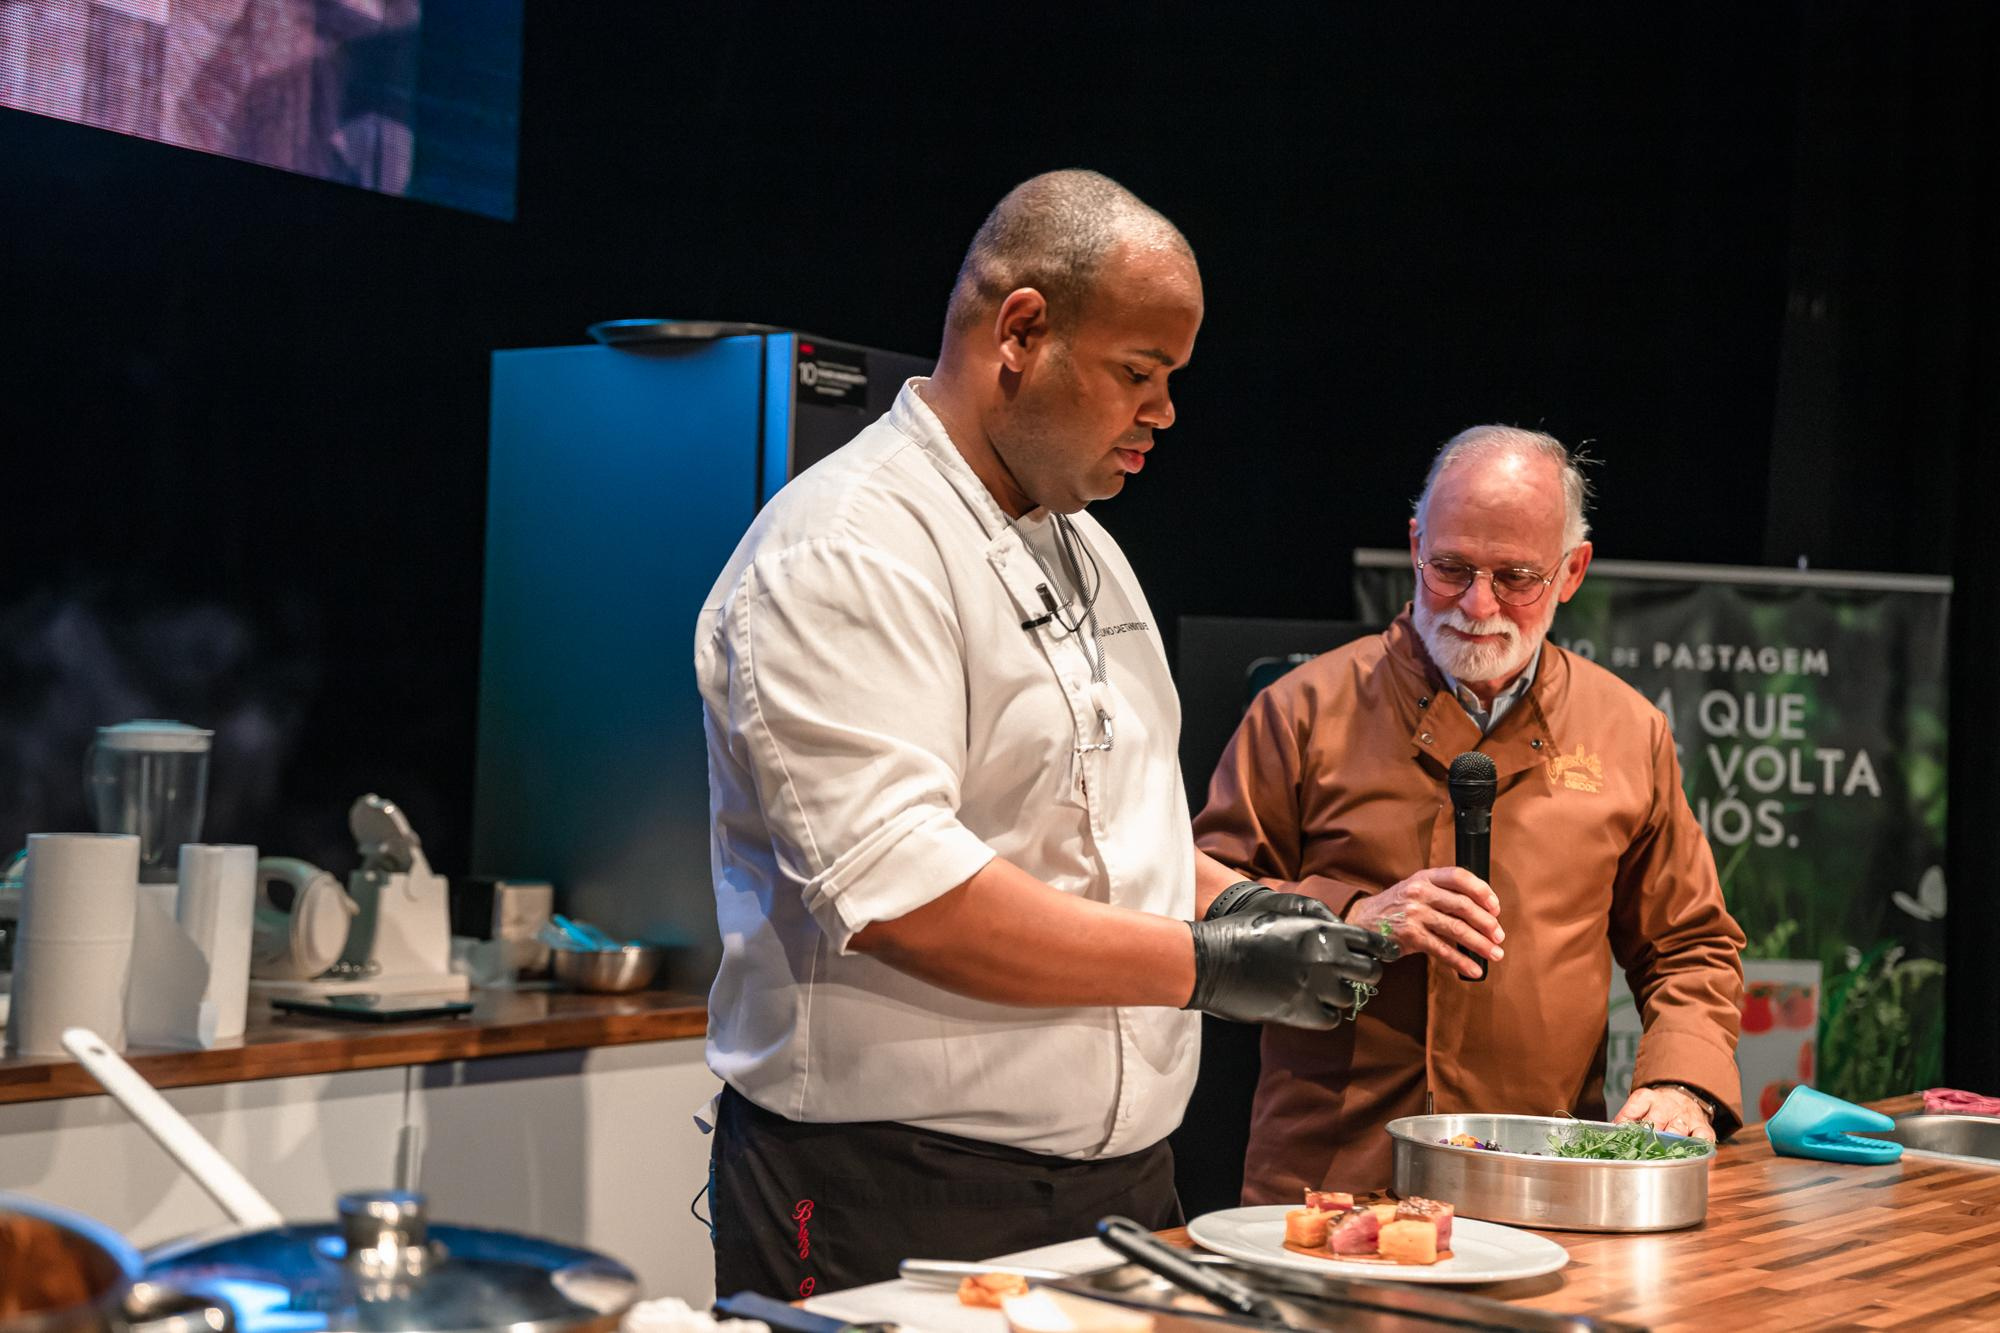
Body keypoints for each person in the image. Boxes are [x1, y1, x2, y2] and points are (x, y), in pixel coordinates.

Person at [695, 170, 1393, 1298]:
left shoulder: (1081, 542)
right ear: (1019, 331)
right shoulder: (845, 550)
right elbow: (908, 897)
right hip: (896, 1192)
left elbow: (1106, 841)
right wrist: (1205, 964)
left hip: (1120, 1195)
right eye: (1139, 374)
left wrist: (1248, 908)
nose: (1163, 413)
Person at [1194, 425, 1747, 1200]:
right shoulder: (1304, 711)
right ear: (1415, 543)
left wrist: (1684, 1082)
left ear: (1571, 572)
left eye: (1516, 576)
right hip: (1329, 1179)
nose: (1477, 604)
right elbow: (1200, 909)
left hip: (1543, 1179)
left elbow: (1690, 945)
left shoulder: (1628, 730)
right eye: (1451, 568)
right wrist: (1358, 919)